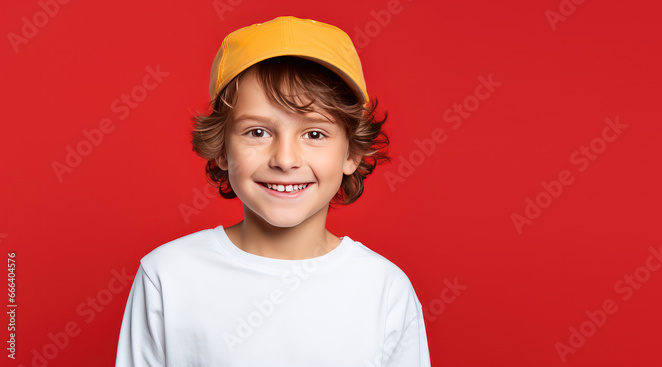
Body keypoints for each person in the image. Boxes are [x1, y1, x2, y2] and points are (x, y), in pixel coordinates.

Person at [114, 15, 430, 366]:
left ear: (352, 153)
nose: (285, 159)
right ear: (221, 148)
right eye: (258, 132)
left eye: (314, 134)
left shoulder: (384, 289)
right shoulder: (167, 277)